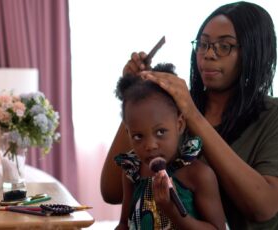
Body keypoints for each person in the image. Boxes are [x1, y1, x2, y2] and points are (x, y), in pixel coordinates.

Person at [101, 1, 278, 229]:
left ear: (254, 51)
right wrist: (136, 97)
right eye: (203, 44)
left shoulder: (271, 115)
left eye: (224, 46)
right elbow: (111, 191)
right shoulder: (172, 107)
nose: (208, 54)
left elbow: (262, 207)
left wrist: (193, 114)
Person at [114, 63, 226, 229]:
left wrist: (171, 210)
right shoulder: (133, 172)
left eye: (160, 132)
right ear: (128, 133)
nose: (150, 145)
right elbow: (124, 224)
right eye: (138, 136)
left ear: (179, 125)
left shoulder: (199, 175)